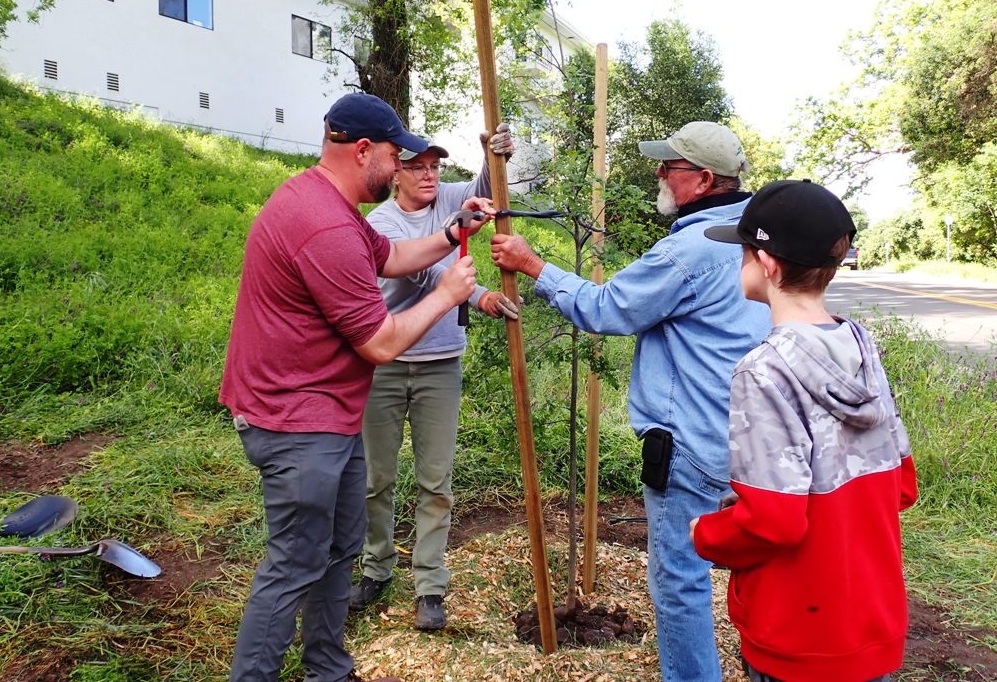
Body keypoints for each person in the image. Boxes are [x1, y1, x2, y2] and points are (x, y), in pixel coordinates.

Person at [219, 92, 494, 682]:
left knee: (338, 550)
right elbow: (381, 343)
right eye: (397, 156)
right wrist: (448, 294)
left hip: (330, 416)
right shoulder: (322, 224)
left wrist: (451, 235)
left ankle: (327, 666)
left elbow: (392, 256)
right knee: (295, 562)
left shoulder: (333, 206)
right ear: (363, 149)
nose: (402, 168)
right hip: (293, 420)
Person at [490, 121, 773, 682]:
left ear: (705, 179)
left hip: (691, 441)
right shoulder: (760, 237)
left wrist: (533, 265)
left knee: (680, 578)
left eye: (671, 165)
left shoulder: (691, 249)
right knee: (756, 566)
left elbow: (606, 309)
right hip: (755, 438)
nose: (660, 172)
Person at [692, 179, 918, 682]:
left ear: (767, 265)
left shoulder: (763, 371)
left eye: (745, 252)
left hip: (797, 637)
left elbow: (774, 521)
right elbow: (902, 484)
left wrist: (706, 534)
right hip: (869, 625)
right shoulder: (861, 348)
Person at [349, 127, 519, 631]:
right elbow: (428, 276)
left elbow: (485, 192)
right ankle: (377, 567)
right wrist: (479, 294)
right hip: (385, 362)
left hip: (440, 363)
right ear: (394, 172)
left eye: (435, 166)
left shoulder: (445, 197)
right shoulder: (381, 222)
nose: (429, 175)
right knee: (376, 479)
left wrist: (494, 154)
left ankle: (429, 585)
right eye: (417, 166)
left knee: (435, 479)